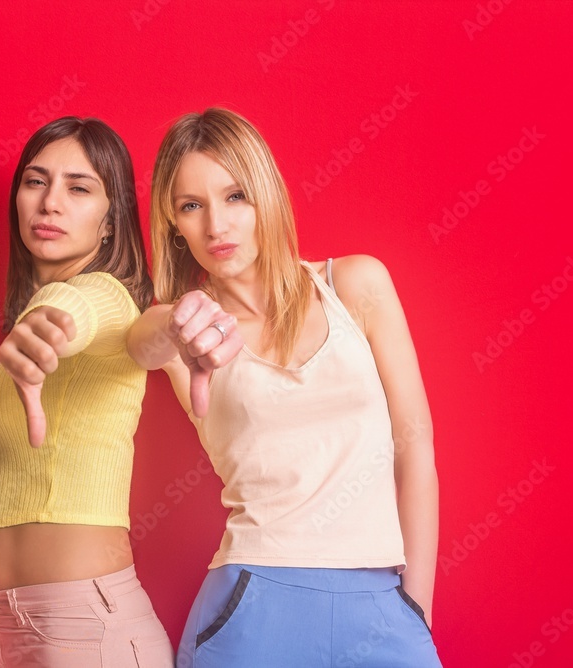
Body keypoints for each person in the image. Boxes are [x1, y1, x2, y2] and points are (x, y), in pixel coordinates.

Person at [127, 108, 443, 667]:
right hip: (252, 608)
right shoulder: (186, 328)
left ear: (266, 195)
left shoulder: (355, 285)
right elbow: (139, 343)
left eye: (235, 196)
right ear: (174, 224)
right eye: (191, 206)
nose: (216, 226)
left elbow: (414, 446)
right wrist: (172, 322)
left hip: (382, 604)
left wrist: (415, 610)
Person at [0, 116, 174, 667]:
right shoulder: (18, 329)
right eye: (35, 182)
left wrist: (44, 326)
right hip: (14, 625)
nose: (50, 202)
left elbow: (73, 311)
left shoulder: (106, 296)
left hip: (85, 625)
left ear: (110, 222)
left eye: (78, 188)